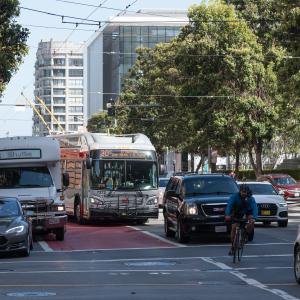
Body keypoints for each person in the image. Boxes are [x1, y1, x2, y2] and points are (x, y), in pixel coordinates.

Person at [225, 183, 258, 255]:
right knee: (234, 227)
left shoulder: (250, 198)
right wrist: (227, 214)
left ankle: (245, 235)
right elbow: (229, 205)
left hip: (247, 211)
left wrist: (254, 218)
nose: (244, 193)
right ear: (240, 191)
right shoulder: (234, 197)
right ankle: (233, 246)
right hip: (237, 212)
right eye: (243, 192)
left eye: (245, 192)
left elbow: (254, 208)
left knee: (252, 221)